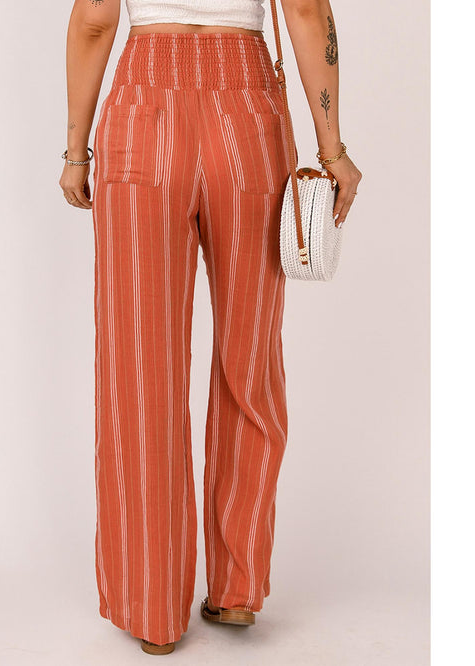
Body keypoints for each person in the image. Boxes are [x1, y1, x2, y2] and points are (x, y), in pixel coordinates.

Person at [59, 0, 362, 656]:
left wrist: (76, 151)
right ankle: (236, 588)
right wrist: (331, 149)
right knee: (249, 360)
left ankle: (152, 609)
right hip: (246, 114)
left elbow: (93, 21)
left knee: (139, 367)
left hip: (142, 113)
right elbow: (305, 9)